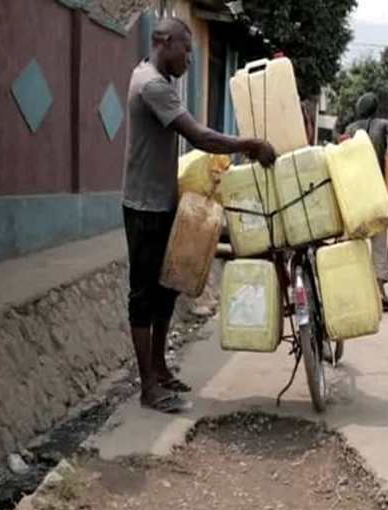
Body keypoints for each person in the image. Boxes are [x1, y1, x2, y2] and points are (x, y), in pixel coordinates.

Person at [122, 17, 275, 414]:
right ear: (165, 41)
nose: (190, 58)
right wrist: (251, 144)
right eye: (187, 50)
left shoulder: (158, 79)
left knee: (167, 288)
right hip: (143, 206)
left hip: (163, 201)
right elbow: (199, 137)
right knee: (143, 296)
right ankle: (147, 387)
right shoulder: (152, 85)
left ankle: (159, 366)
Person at [343, 92, 388, 311]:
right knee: (378, 241)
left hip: (355, 193)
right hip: (376, 191)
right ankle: (380, 292)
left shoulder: (350, 129)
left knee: (353, 240)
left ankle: (350, 291)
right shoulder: (383, 124)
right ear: (376, 109)